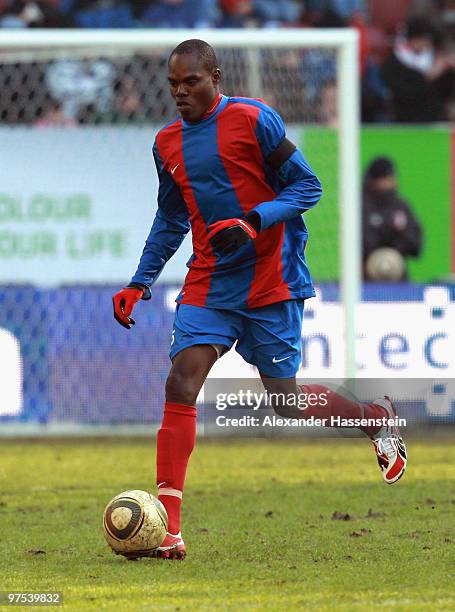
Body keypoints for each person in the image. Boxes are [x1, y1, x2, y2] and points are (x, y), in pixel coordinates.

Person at [112, 39, 408, 560]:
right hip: (209, 281)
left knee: (285, 400)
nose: (180, 93)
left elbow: (308, 187)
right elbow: (171, 219)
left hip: (272, 278)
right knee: (181, 381)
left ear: (216, 77)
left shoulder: (255, 120)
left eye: (191, 83)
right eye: (173, 85)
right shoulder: (166, 143)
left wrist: (253, 221)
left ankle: (374, 419)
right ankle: (171, 530)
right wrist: (139, 282)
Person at [382, 17, 455, 122]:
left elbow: (445, 92)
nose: (426, 44)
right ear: (412, 39)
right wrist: (430, 75)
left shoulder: (435, 57)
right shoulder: (393, 63)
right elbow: (405, 94)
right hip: (405, 119)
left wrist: (448, 71)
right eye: (422, 39)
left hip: (436, 119)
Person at [362, 157, 423, 281]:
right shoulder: (360, 207)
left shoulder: (401, 206)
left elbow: (416, 244)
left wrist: (397, 247)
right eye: (385, 178)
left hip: (399, 282)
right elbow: (362, 242)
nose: (390, 182)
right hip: (365, 283)